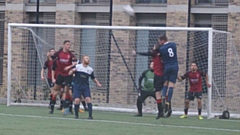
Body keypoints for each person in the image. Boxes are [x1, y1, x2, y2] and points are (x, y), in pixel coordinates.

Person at [132, 44, 164, 119]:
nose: (152, 65)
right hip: (145, 90)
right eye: (151, 64)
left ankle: (161, 112)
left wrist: (137, 53)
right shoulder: (146, 72)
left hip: (154, 90)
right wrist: (140, 86)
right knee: (139, 100)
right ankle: (139, 112)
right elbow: (140, 78)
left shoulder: (157, 72)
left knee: (159, 99)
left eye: (153, 64)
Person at [69, 55, 101, 119]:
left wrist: (97, 83)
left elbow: (93, 77)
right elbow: (69, 73)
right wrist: (72, 71)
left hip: (85, 87)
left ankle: (90, 115)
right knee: (77, 100)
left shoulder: (90, 69)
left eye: (88, 59)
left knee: (88, 99)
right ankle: (76, 115)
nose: (88, 60)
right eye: (86, 58)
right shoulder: (78, 67)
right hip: (77, 86)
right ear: (83, 60)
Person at [49, 40, 76, 115]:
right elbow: (52, 58)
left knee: (68, 92)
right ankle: (51, 108)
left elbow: (75, 63)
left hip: (68, 75)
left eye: (70, 45)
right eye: (67, 44)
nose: (69, 46)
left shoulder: (71, 55)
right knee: (55, 91)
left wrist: (69, 67)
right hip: (60, 75)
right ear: (64, 45)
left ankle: (69, 109)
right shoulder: (59, 53)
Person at [159, 34, 179, 115]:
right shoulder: (173, 44)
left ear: (163, 40)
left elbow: (162, 59)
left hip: (167, 66)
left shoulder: (162, 48)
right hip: (175, 66)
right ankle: (168, 101)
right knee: (171, 85)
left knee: (165, 83)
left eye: (160, 41)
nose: (160, 43)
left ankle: (163, 96)